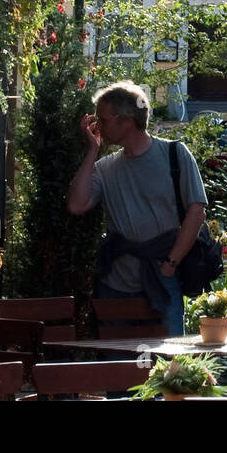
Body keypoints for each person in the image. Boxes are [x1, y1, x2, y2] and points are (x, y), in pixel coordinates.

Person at [66, 81, 206, 336]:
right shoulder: (106, 167)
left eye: (103, 119)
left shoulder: (174, 154)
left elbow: (196, 212)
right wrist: (92, 151)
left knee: (167, 366)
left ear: (127, 120)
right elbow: (76, 205)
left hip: (164, 280)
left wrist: (171, 264)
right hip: (116, 285)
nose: (97, 126)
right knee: (116, 366)